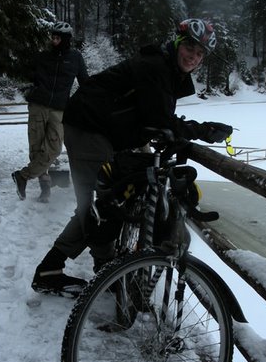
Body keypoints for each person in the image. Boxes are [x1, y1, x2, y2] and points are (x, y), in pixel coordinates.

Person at [31, 18, 233, 294]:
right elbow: (159, 118)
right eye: (190, 48)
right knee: (105, 205)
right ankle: (79, 271)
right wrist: (202, 130)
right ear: (177, 43)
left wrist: (180, 134)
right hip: (89, 128)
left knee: (102, 203)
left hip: (96, 129)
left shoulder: (165, 69)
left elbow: (153, 118)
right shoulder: (156, 67)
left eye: (200, 54)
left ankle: (87, 269)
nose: (193, 57)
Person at [12, 21, 88, 203]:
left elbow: (85, 82)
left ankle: (22, 176)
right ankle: (45, 189)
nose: (53, 41)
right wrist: (28, 90)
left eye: (57, 38)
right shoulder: (43, 56)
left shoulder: (76, 58)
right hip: (38, 106)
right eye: (52, 37)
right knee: (37, 149)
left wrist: (79, 102)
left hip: (59, 109)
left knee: (53, 149)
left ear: (66, 39)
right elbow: (25, 76)